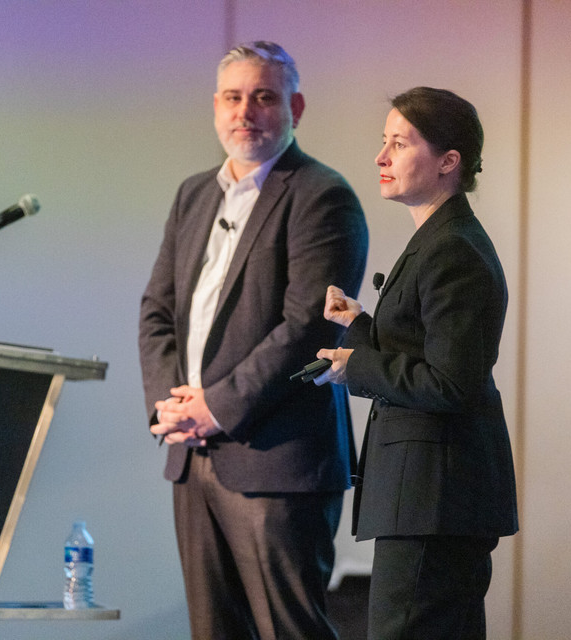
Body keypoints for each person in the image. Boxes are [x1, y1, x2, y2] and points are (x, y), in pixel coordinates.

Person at [138, 41, 368, 639]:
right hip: (194, 457)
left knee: (290, 631)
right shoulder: (194, 194)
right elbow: (157, 310)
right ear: (216, 107)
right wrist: (174, 405)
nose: (247, 111)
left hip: (280, 462)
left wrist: (215, 406)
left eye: (264, 97)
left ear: (294, 106)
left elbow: (309, 329)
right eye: (235, 98)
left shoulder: (322, 195)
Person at [315, 87, 519, 639]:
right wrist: (359, 326)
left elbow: (451, 382)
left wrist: (354, 365)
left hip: (437, 500)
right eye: (384, 142)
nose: (381, 158)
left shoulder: (453, 249)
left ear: (448, 162)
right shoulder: (439, 239)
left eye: (399, 143)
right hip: (431, 499)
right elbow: (425, 354)